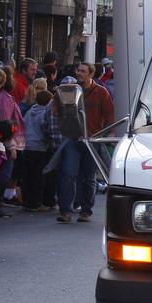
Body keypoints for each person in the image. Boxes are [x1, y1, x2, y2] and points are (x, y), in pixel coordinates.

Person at [48, 64, 115, 223]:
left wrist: (108, 134)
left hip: (92, 139)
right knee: (68, 173)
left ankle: (86, 210)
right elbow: (55, 105)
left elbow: (110, 114)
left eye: (83, 71)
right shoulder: (69, 90)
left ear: (91, 74)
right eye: (78, 70)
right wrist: (57, 108)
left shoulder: (101, 92)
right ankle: (65, 211)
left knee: (88, 176)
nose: (79, 73)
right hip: (73, 138)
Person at [20, 90, 56, 212]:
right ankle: (36, 202)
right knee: (38, 177)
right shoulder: (44, 114)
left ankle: (27, 202)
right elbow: (45, 129)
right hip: (40, 148)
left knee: (28, 176)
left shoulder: (29, 112)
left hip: (27, 146)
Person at [0, 68, 24, 211]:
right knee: (4, 174)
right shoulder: (4, 98)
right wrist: (11, 146)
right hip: (3, 143)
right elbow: (5, 123)